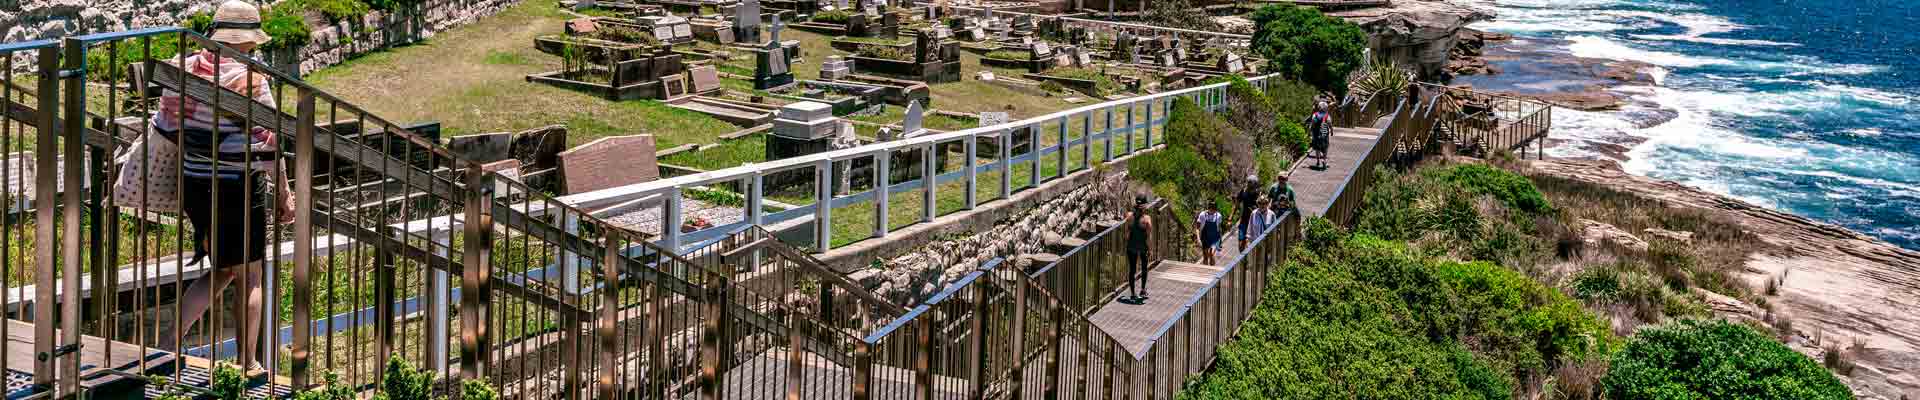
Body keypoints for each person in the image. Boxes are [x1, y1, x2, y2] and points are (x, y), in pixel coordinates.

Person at [156, 0, 293, 374]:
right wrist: (284, 196)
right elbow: (270, 145)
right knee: (249, 275)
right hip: (235, 186)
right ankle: (248, 362)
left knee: (222, 268)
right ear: (249, 41)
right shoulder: (252, 82)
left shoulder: (183, 70)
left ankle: (167, 345)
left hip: (194, 183)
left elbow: (165, 127)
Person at [1123, 196, 1154, 302]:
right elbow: (1149, 237)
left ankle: (1132, 293)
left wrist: (1129, 242)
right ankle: (1143, 290)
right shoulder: (1147, 219)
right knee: (1144, 268)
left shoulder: (1129, 216)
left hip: (1131, 246)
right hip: (1143, 246)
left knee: (1132, 270)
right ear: (1144, 206)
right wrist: (1150, 249)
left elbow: (1126, 234)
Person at [1233, 175, 1260, 253]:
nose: (1251, 186)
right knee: (1241, 242)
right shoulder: (1243, 192)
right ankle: (1243, 260)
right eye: (1249, 184)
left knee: (1251, 243)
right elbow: (1237, 204)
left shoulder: (1258, 194)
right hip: (1244, 220)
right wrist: (1231, 218)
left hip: (1254, 222)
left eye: (1253, 184)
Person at [1306, 101, 1333, 169]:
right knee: (1325, 147)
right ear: (1326, 108)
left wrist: (1309, 132)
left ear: (1318, 107)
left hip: (1316, 134)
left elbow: (1312, 124)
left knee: (1317, 149)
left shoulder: (1315, 114)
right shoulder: (1327, 115)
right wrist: (1331, 131)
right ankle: (1324, 160)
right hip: (1324, 134)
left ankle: (1318, 161)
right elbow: (1330, 124)